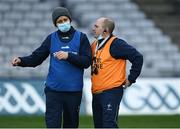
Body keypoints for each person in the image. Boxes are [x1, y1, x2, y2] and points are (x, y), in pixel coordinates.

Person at [11, 7, 91, 128]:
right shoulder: (51, 38)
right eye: (59, 21)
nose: (63, 23)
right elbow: (36, 58)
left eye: (65, 19)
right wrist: (21, 61)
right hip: (53, 90)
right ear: (55, 24)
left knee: (71, 125)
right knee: (52, 124)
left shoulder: (82, 37)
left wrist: (68, 56)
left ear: (70, 19)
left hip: (73, 91)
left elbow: (86, 62)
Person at [91, 17, 143, 128]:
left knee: (109, 125)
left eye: (96, 26)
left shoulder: (116, 44)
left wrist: (131, 79)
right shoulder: (94, 45)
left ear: (105, 31)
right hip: (96, 93)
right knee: (99, 126)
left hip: (111, 92)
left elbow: (137, 57)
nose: (93, 28)